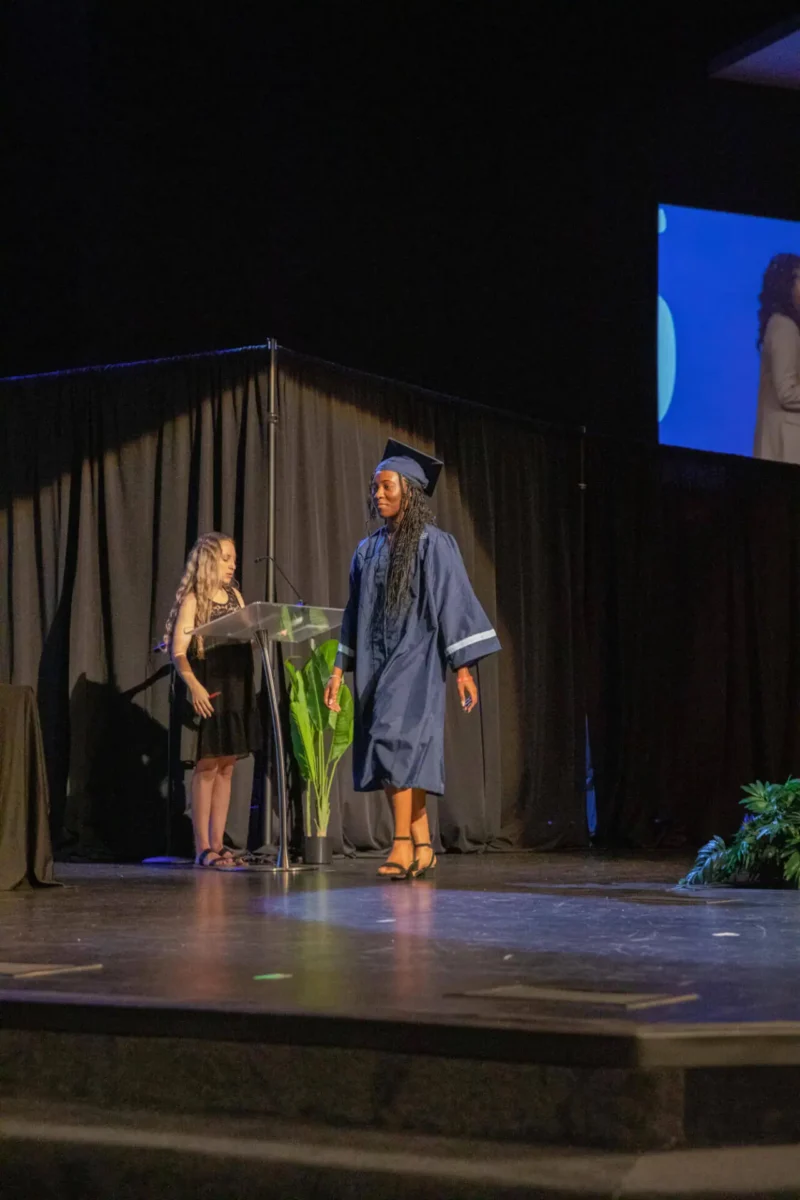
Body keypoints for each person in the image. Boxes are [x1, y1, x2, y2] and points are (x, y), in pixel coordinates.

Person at [323, 440, 500, 880]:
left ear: (410, 491)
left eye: (386, 486)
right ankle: (423, 845)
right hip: (373, 660)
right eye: (374, 487)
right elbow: (351, 614)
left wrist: (463, 668)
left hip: (415, 657)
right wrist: (337, 671)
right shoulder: (367, 551)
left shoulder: (434, 545)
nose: (377, 494)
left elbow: (453, 603)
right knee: (395, 755)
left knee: (394, 742)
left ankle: (400, 844)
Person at [162, 532, 261, 869]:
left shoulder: (235, 595)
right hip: (210, 686)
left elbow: (248, 631)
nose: (233, 565)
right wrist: (194, 686)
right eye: (226, 558)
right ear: (209, 560)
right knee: (208, 764)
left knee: (228, 765)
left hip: (237, 685)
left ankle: (219, 844)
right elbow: (177, 652)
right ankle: (202, 847)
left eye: (234, 559)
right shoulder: (194, 600)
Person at [753, 253, 800, 464]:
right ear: (786, 285)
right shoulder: (784, 327)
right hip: (787, 446)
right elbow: (787, 392)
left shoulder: (781, 325)